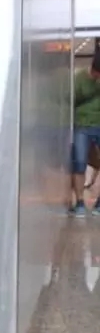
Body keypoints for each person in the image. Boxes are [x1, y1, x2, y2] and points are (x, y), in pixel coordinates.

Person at [70, 43, 100, 217]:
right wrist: (92, 88)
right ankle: (80, 202)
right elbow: (72, 100)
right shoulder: (80, 78)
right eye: (96, 74)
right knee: (79, 163)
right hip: (82, 125)